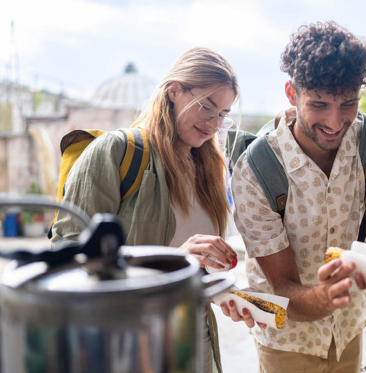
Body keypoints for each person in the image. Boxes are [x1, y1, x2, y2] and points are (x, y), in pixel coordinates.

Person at [228, 22, 366, 372]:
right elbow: (282, 287)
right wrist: (324, 299)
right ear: (291, 93)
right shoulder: (255, 171)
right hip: (285, 338)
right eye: (319, 104)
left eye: (348, 104)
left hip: (348, 329)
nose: (335, 121)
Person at [51, 47, 241, 373]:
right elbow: (68, 255)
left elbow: (195, 270)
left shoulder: (209, 167)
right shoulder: (117, 151)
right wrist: (173, 261)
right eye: (207, 108)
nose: (213, 124)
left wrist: (225, 293)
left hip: (194, 343)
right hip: (127, 347)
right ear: (174, 90)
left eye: (223, 114)